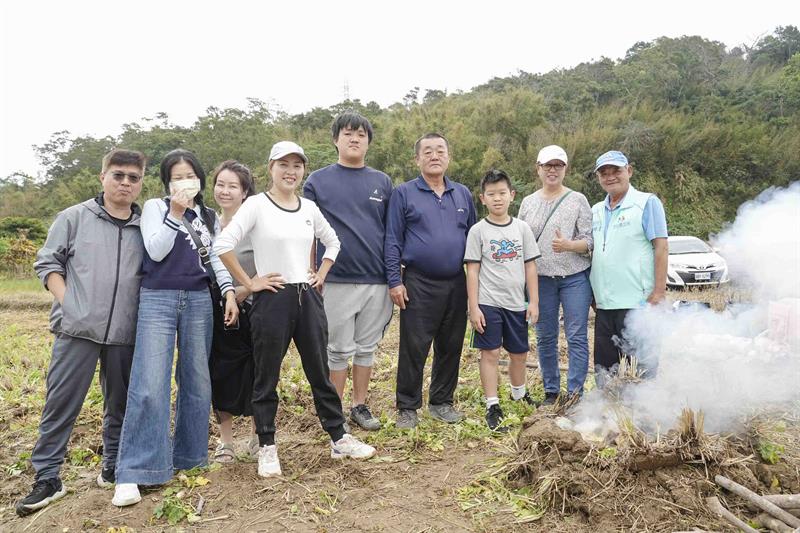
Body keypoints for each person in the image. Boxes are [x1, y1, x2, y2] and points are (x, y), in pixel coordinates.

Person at [215, 141, 375, 478]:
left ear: (303, 170)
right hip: (272, 298)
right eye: (283, 165)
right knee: (266, 375)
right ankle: (267, 445)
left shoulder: (309, 208)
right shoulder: (257, 206)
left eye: (297, 166)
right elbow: (223, 244)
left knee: (319, 371)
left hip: (308, 297)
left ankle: (338, 436)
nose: (291, 171)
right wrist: (251, 281)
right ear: (270, 168)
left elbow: (333, 241)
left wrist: (322, 273)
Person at [16, 149, 147, 517]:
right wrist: (68, 302)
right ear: (102, 176)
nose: (124, 183)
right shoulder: (74, 217)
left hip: (125, 331)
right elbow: (48, 263)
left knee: (119, 403)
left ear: (140, 184)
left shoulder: (144, 225)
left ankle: (113, 464)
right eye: (118, 175)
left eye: (133, 177)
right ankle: (48, 476)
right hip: (77, 330)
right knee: (61, 403)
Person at [113, 149, 239, 507]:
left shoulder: (209, 215)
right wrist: (176, 213)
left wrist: (229, 291)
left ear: (199, 178)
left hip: (199, 299)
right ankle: (136, 471)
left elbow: (215, 256)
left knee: (197, 382)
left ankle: (190, 458)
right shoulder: (156, 207)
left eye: (189, 176)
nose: (184, 183)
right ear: (167, 183)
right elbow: (154, 251)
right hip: (159, 298)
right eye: (177, 177)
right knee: (150, 382)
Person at [303, 112, 393, 431]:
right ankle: (335, 409)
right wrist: (313, 271)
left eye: (361, 134)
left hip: (376, 279)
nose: (354, 139)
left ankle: (360, 405)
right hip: (335, 278)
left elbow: (389, 230)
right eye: (348, 133)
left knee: (366, 346)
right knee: (338, 349)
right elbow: (307, 229)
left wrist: (394, 274)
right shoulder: (317, 180)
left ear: (368, 141)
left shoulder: (382, 181)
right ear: (336, 140)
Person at [384, 133, 477, 429]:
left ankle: (441, 402)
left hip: (456, 282)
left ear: (448, 157)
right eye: (428, 151)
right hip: (418, 282)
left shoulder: (462, 193)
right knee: (414, 345)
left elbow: (475, 239)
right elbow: (392, 239)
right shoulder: (404, 193)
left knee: (450, 345)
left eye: (440, 151)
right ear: (417, 159)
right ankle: (407, 406)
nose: (434, 155)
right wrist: (393, 281)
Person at [517, 145, 593, 404]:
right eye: (547, 165)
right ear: (538, 169)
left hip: (574, 278)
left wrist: (570, 246)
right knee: (545, 335)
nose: (552, 170)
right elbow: (521, 241)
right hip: (540, 280)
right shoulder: (528, 203)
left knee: (576, 336)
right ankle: (551, 391)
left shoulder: (578, 199)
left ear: (565, 169)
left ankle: (575, 394)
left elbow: (590, 241)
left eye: (558, 165)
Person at [465, 170, 540, 431]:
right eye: (491, 194)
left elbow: (530, 267)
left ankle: (519, 393)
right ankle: (492, 404)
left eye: (502, 193)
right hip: (488, 302)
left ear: (512, 195)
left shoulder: (522, 229)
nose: (497, 199)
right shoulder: (478, 231)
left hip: (517, 303)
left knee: (519, 353)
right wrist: (473, 307)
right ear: (483, 198)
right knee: (491, 353)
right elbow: (472, 270)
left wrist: (534, 302)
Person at [589, 150, 668, 386]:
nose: (610, 176)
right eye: (604, 173)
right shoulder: (594, 211)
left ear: (629, 171)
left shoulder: (646, 203)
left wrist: (659, 291)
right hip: (604, 304)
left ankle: (641, 417)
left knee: (640, 370)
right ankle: (608, 414)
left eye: (616, 171)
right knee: (605, 371)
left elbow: (661, 247)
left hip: (638, 303)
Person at [209, 160, 259, 462]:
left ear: (244, 192)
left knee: (259, 371)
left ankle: (257, 436)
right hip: (216, 310)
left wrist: (243, 291)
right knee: (221, 373)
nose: (225, 191)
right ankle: (225, 442)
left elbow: (269, 265)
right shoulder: (206, 224)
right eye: (220, 184)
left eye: (232, 186)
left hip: (254, 307)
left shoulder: (255, 226)